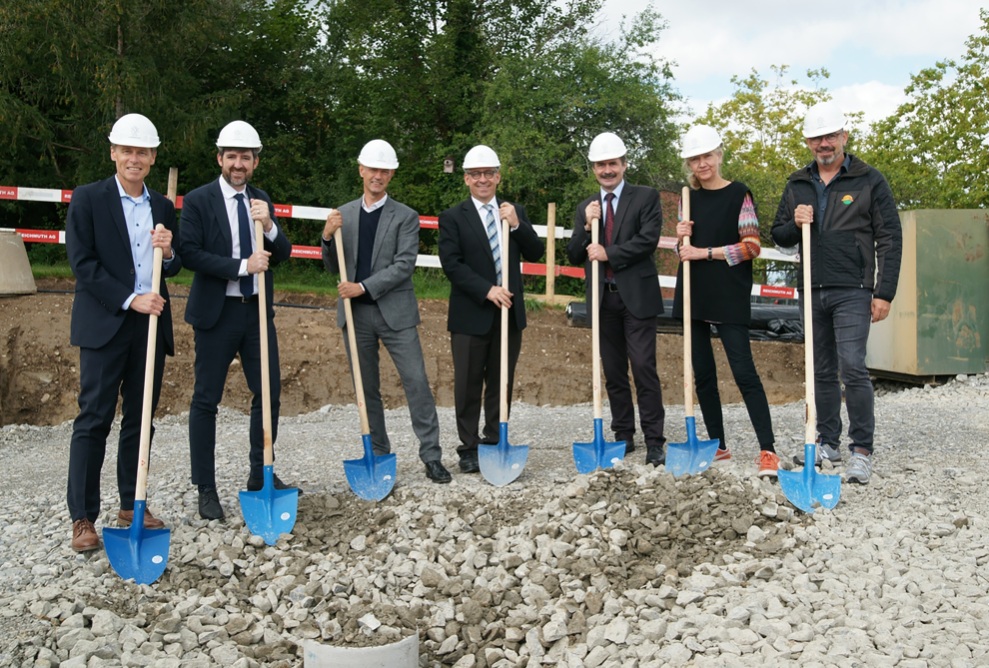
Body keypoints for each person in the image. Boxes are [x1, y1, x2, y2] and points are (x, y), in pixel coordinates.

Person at [65, 113, 181, 552]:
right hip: (105, 322)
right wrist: (130, 298)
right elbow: (83, 264)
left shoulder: (163, 207)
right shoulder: (89, 198)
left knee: (140, 418)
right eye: (127, 150)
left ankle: (132, 505)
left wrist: (168, 252)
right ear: (113, 152)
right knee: (94, 419)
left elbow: (173, 265)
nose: (135, 158)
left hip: (148, 327)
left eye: (143, 152)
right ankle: (83, 517)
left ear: (152, 158)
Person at [771, 101, 902, 485]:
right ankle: (827, 441)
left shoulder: (868, 179)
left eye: (830, 136)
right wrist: (794, 224)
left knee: (853, 367)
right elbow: (778, 236)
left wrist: (884, 292)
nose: (823, 143)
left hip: (853, 288)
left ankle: (861, 450)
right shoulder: (797, 183)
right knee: (820, 370)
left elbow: (889, 237)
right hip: (811, 287)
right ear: (808, 142)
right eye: (816, 137)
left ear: (844, 136)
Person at [180, 120, 300, 520]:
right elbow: (191, 254)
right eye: (231, 156)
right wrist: (241, 266)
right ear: (219, 158)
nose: (237, 164)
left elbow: (281, 253)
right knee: (206, 400)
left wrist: (268, 225)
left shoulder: (260, 199)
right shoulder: (199, 200)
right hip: (217, 314)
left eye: (245, 158)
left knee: (268, 394)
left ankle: (259, 472)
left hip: (255, 313)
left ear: (255, 162)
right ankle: (206, 488)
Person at [321, 140, 451, 484]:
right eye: (372, 169)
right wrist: (326, 236)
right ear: (361, 170)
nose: (377, 176)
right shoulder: (343, 214)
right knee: (367, 389)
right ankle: (379, 454)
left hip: (395, 313)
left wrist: (362, 287)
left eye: (384, 170)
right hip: (355, 316)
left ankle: (431, 455)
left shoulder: (405, 216)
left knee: (417, 382)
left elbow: (404, 265)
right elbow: (332, 264)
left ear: (391, 174)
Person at [673, 125, 779, 477]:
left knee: (744, 371)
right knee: (703, 374)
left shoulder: (739, 195)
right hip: (694, 291)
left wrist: (704, 251)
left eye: (707, 156)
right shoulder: (686, 198)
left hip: (728, 291)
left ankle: (768, 450)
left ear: (719, 155)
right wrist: (680, 239)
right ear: (689, 163)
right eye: (695, 158)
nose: (702, 163)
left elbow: (751, 247)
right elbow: (683, 252)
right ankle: (717, 446)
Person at [438, 145, 543, 473]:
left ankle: (495, 439)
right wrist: (487, 290)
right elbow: (452, 265)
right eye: (476, 175)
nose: (483, 179)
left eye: (489, 174)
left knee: (501, 381)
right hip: (471, 314)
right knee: (468, 383)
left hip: (508, 314)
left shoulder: (514, 211)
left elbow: (536, 252)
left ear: (498, 176)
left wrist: (517, 225)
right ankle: (468, 448)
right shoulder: (453, 217)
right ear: (467, 179)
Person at [566, 132, 666, 466]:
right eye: (600, 165)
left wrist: (607, 252)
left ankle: (655, 440)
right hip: (602, 300)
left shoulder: (646, 197)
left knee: (642, 367)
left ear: (624, 164)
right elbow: (572, 253)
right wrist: (585, 224)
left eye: (612, 163)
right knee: (613, 372)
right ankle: (624, 435)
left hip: (636, 297)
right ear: (593, 168)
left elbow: (647, 241)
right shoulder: (586, 207)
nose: (607, 170)